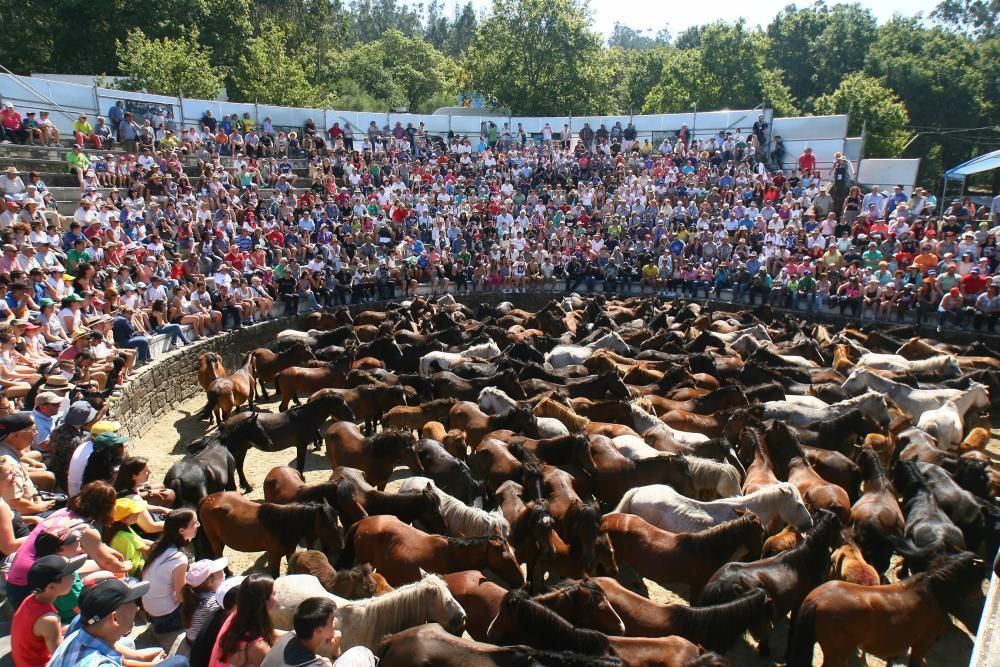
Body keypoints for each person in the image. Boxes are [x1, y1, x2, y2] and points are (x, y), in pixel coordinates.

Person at [49, 577, 189, 666]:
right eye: (133, 603)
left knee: (130, 644)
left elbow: (113, 654)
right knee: (179, 662)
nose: (137, 607)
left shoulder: (79, 628)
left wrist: (142, 659)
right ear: (114, 618)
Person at [11, 554, 87, 667]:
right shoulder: (49, 619)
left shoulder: (31, 599)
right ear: (51, 587)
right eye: (69, 575)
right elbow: (61, 658)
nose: (73, 577)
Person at [261, 597, 377, 667]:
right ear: (318, 631)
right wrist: (335, 653)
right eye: (332, 620)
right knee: (361, 652)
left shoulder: (287, 638)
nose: (335, 622)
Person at [142, 508, 199, 633]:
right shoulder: (178, 558)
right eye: (194, 523)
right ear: (182, 530)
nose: (198, 525)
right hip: (167, 617)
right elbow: (181, 597)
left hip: (151, 612)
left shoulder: (158, 547)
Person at [210, 573, 281, 667]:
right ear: (263, 602)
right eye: (274, 593)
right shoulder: (259, 648)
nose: (278, 597)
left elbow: (272, 633)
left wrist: (293, 633)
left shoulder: (234, 619)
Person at [182, 557, 228, 643]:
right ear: (210, 582)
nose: (223, 571)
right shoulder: (214, 602)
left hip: (191, 639)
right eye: (219, 570)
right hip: (202, 644)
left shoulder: (193, 595)